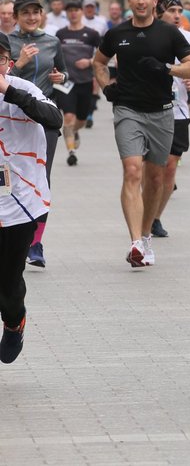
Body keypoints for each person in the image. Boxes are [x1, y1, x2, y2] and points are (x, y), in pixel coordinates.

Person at [93, 0, 190, 268]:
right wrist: (106, 86)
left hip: (162, 112)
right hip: (127, 109)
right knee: (132, 171)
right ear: (129, 1)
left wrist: (167, 68)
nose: (140, 1)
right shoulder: (117, 33)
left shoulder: (169, 33)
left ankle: (146, 234)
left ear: (154, 2)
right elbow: (98, 62)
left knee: (155, 179)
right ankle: (135, 243)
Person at [0, 32, 63, 364]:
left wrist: (9, 92)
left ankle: (14, 323)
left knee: (8, 281)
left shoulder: (24, 89)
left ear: (9, 64)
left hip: (20, 201)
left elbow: (54, 119)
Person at [8, 0, 68, 269]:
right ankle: (13, 232)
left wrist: (61, 77)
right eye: (25, 13)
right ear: (16, 17)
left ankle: (36, 243)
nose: (31, 17)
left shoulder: (52, 41)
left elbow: (64, 73)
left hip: (43, 115)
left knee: (42, 177)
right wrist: (19, 63)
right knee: (12, 176)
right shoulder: (7, 42)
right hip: (13, 116)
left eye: (35, 12)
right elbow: (4, 79)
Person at [151, 0, 190, 239]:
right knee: (152, 170)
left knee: (170, 168)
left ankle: (155, 218)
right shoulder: (147, 36)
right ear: (158, 12)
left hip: (179, 110)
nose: (177, 15)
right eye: (171, 11)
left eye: (179, 11)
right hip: (150, 109)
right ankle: (146, 211)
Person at [54, 0, 101, 167]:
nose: (73, 13)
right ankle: (71, 152)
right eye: (70, 10)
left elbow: (104, 56)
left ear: (81, 12)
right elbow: (54, 55)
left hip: (85, 82)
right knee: (68, 117)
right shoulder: (60, 34)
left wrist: (89, 62)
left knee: (81, 119)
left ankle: (74, 131)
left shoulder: (92, 34)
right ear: (66, 13)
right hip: (65, 83)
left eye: (76, 10)